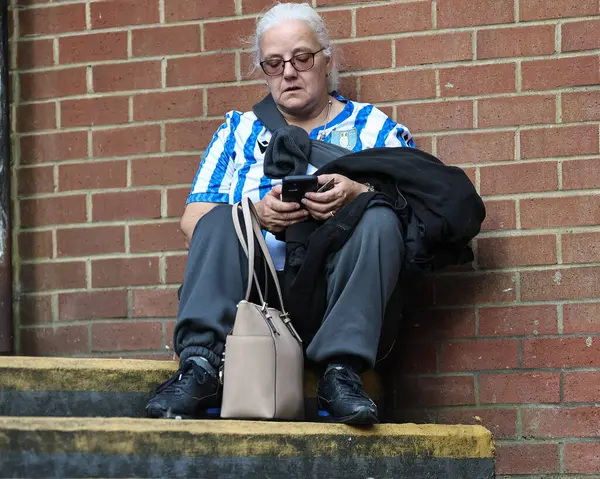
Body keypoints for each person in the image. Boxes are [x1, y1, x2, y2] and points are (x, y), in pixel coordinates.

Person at [146, 2, 416, 425]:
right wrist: (254, 214)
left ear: (327, 60)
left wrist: (358, 193)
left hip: (335, 293)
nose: (289, 72)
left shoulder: (373, 128)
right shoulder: (237, 130)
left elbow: (415, 213)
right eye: (274, 63)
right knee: (218, 217)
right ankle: (199, 365)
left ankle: (340, 373)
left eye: (301, 58)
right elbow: (191, 223)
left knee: (381, 215)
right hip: (254, 299)